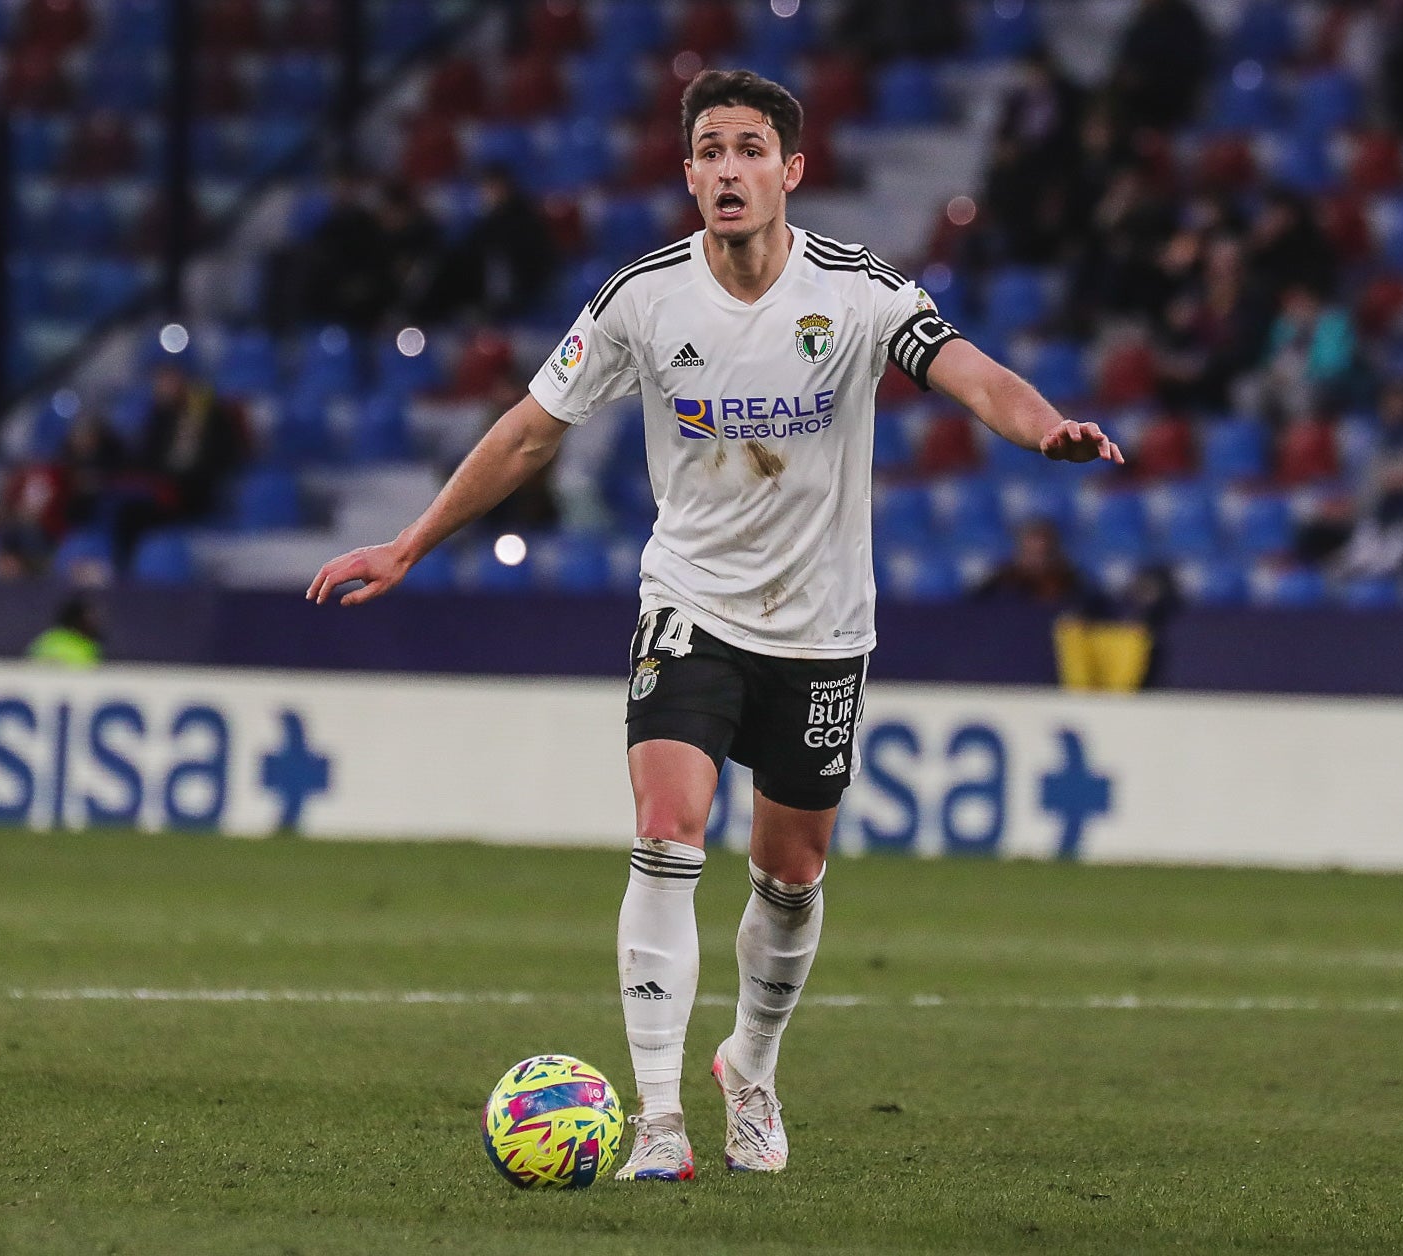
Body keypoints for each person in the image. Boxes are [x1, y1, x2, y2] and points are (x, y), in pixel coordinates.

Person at [306, 69, 1122, 1181]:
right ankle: (655, 1121)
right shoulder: (642, 297)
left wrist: (1044, 430)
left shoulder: (856, 289)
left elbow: (965, 369)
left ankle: (750, 1066)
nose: (727, 169)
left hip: (823, 627)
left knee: (790, 876)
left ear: (789, 170)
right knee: (667, 826)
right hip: (689, 603)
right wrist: (411, 539)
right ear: (687, 172)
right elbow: (532, 431)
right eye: (707, 151)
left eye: (748, 149)